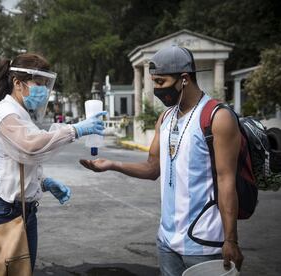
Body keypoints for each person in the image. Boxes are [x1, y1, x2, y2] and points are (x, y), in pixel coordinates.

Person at [80, 46, 244, 275]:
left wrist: (231, 240)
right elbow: (152, 168)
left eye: (160, 82)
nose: (157, 89)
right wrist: (112, 165)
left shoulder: (217, 117)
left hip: (204, 241)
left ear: (184, 79)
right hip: (166, 241)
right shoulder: (165, 118)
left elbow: (227, 180)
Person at [0, 53, 106, 271]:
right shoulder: (4, 112)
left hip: (22, 209)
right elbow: (31, 146)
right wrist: (75, 129)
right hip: (0, 209)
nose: (43, 90)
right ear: (17, 83)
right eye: (39, 83)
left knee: (23, 271)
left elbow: (19, 160)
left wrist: (43, 182)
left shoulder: (20, 113)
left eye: (46, 84)